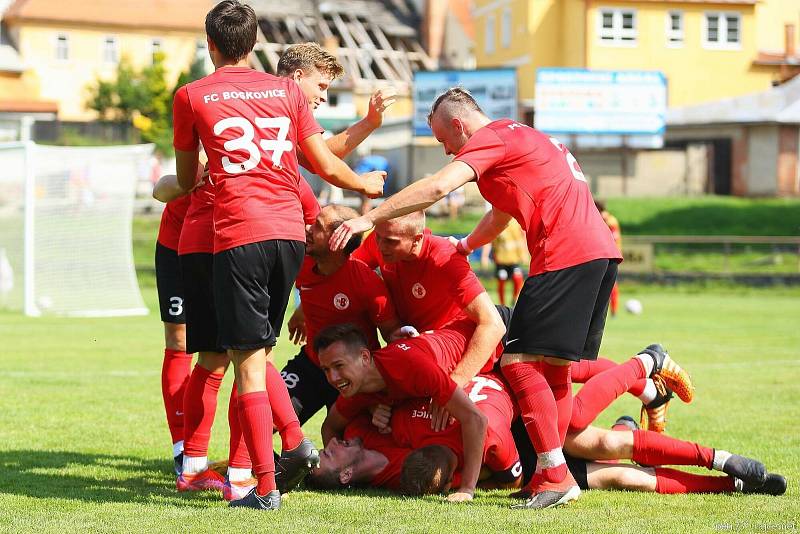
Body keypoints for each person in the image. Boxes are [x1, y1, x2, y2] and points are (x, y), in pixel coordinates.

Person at [329, 87, 629, 508]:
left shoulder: (493, 137)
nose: (445, 150)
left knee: (517, 361)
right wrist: (468, 244)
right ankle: (550, 472)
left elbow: (436, 189)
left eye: (443, 140)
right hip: (597, 254)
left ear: (458, 125)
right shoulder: (524, 138)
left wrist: (369, 218)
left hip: (564, 253)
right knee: (553, 370)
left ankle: (557, 475)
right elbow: (502, 213)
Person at [171, 1, 385, 511]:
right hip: (288, 237)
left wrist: (174, 184)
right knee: (249, 355)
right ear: (256, 42)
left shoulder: (191, 96)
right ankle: (249, 460)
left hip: (234, 235)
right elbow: (322, 163)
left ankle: (261, 482)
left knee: (239, 361)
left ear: (210, 45)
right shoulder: (286, 92)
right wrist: (363, 184)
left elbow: (183, 181)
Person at [315, 323, 487, 502]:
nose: (332, 378)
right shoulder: (356, 388)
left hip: (485, 340)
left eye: (338, 365)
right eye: (326, 369)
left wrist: (467, 489)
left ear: (365, 357)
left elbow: (476, 419)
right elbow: (330, 426)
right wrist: (338, 470)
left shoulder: (411, 366)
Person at [352, 210, 506, 390]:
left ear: (417, 239)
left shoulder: (444, 258)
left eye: (391, 242)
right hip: (410, 344)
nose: (380, 245)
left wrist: (454, 385)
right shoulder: (382, 238)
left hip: (448, 346)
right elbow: (351, 273)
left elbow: (493, 324)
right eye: (377, 236)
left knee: (384, 372)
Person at [280, 204, 402, 427]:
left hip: (352, 377)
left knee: (343, 449)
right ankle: (284, 460)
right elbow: (316, 289)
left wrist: (379, 394)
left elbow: (393, 336)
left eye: (317, 226)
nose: (307, 228)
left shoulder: (366, 283)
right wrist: (301, 313)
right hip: (311, 364)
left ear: (338, 242)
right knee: (264, 418)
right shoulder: (302, 261)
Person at [153, 194, 193, 475]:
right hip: (177, 244)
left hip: (230, 243)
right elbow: (163, 189)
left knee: (243, 349)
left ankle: (245, 457)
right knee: (180, 339)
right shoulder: (200, 149)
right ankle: (182, 447)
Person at [480, 217, 528, 306]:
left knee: (518, 277)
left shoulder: (516, 223)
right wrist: (485, 256)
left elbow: (522, 237)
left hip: (514, 259)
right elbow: (488, 240)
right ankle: (502, 304)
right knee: (502, 278)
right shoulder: (497, 223)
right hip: (501, 259)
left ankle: (515, 298)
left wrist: (524, 253)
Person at [595, 200, 622, 316]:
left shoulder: (611, 222)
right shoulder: (603, 220)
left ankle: (614, 310)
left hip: (610, 256)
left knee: (611, 284)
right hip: (602, 255)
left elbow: (613, 239)